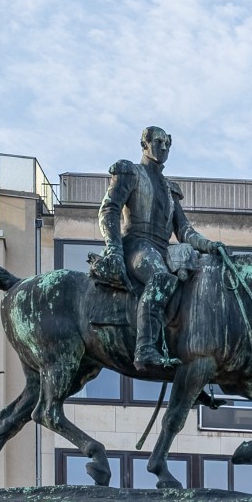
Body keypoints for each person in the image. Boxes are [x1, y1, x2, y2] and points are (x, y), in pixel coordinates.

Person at [93, 125, 209, 372]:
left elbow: (184, 230)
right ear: (144, 144)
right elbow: (109, 209)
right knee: (160, 279)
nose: (163, 147)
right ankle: (145, 348)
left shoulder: (170, 188)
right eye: (158, 142)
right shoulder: (130, 172)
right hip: (136, 245)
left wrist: (210, 245)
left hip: (163, 250)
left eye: (167, 144)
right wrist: (114, 249)